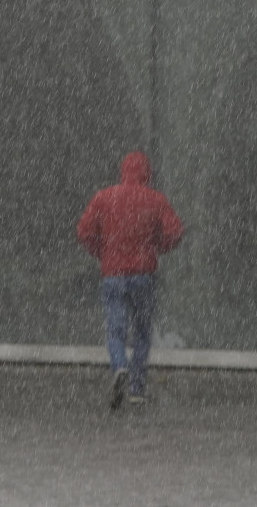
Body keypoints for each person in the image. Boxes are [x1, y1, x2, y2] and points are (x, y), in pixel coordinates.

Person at [77, 150, 184, 409]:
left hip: (113, 275)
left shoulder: (104, 198)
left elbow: (84, 231)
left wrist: (102, 252)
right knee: (143, 333)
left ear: (123, 171)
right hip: (143, 275)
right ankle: (136, 387)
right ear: (147, 173)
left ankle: (119, 366)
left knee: (115, 330)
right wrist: (156, 247)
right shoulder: (155, 200)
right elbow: (175, 232)